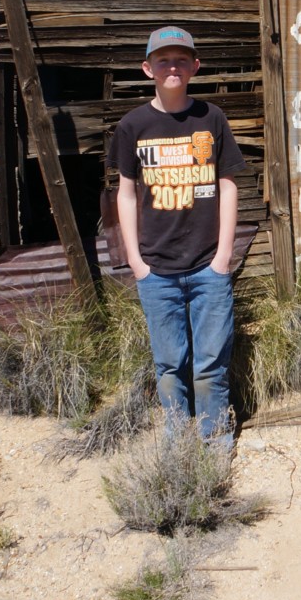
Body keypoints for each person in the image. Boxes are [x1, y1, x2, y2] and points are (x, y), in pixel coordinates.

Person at [110, 25, 246, 440]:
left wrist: (223, 256)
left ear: (195, 66)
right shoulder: (133, 125)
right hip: (156, 271)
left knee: (211, 364)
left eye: (182, 60)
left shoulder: (211, 118)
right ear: (147, 68)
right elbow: (126, 194)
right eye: (164, 60)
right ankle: (177, 439)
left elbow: (227, 185)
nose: (173, 67)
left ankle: (213, 437)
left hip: (208, 267)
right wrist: (136, 262)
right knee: (169, 365)